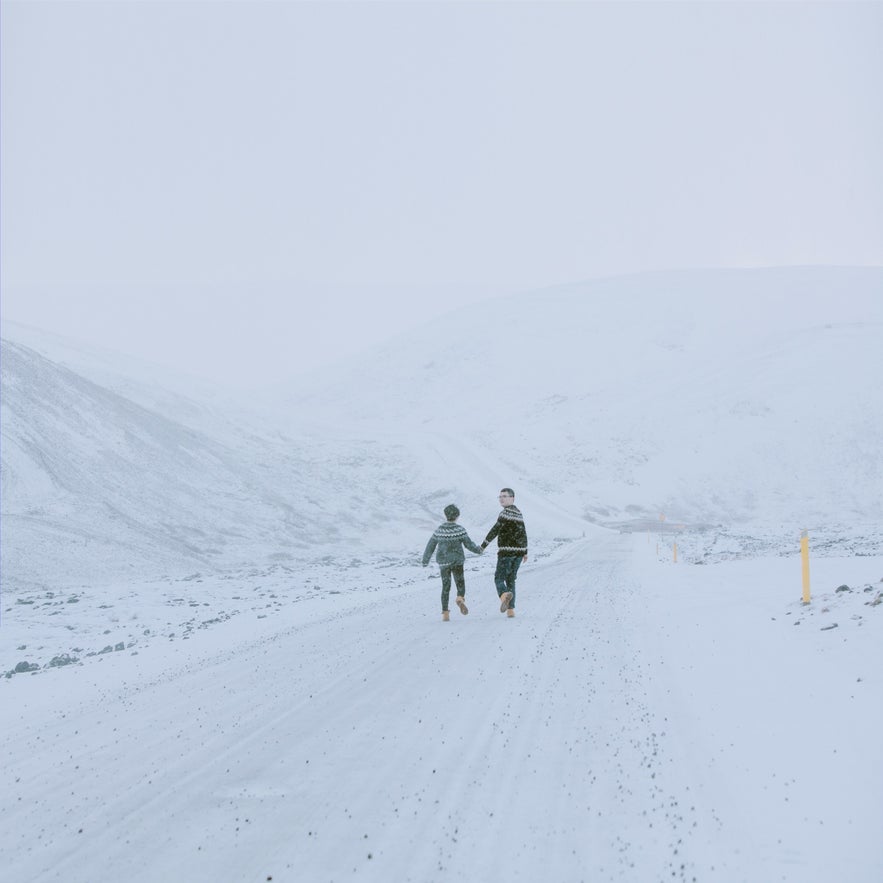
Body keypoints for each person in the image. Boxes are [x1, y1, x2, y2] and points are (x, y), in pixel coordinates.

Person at [422, 504, 483, 621]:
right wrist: (478, 550)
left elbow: (430, 546)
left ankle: (445, 613)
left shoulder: (439, 530)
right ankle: (460, 598)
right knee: (460, 582)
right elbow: (468, 544)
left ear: (446, 515)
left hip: (444, 562)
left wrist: (425, 560)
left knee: (446, 586)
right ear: (457, 516)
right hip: (457, 561)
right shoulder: (459, 530)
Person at [480, 487, 528, 618]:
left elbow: (495, 529)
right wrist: (525, 551)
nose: (501, 498)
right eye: (500, 496)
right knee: (511, 580)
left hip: (506, 553)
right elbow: (523, 532)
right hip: (518, 554)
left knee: (499, 578)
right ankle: (511, 610)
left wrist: (483, 545)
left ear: (512, 498)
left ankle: (504, 595)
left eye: (505, 496)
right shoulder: (519, 513)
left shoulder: (504, 513)